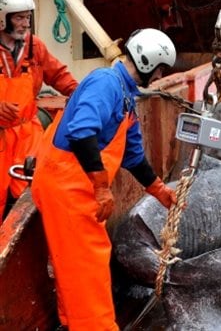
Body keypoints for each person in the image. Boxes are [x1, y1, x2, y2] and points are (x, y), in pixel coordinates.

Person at [31, 28, 178, 330]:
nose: (161, 74)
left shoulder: (127, 97)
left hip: (77, 188)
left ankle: (73, 322)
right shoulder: (105, 83)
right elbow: (82, 131)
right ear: (150, 63)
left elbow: (133, 156)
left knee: (74, 265)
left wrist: (160, 190)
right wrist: (101, 189)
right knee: (89, 267)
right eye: (161, 68)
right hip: (67, 187)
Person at [0, 0, 78, 220]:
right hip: (1, 138)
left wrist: (83, 96)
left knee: (31, 195)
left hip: (28, 134)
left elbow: (60, 76)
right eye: (19, 18)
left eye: (28, 18)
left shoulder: (35, 47)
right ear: (2, 19)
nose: (25, 24)